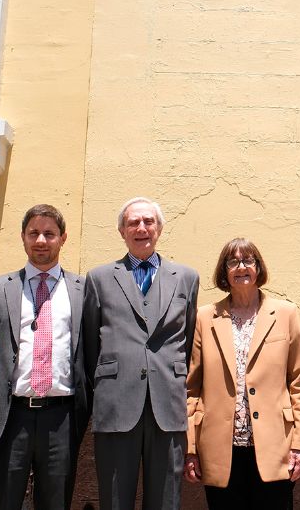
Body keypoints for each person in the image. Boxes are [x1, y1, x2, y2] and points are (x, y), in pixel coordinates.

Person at [82, 197, 200, 510]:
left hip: (168, 405)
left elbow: (188, 341)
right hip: (116, 403)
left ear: (159, 228)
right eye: (133, 222)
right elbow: (91, 344)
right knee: (115, 498)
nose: (141, 228)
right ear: (122, 231)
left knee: (165, 500)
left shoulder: (186, 278)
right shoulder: (99, 278)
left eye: (149, 221)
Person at [183, 238, 300, 509]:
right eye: (233, 261)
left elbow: (299, 383)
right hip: (220, 450)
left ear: (258, 267)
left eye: (248, 260)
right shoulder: (206, 317)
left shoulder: (285, 313)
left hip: (275, 447)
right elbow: (191, 389)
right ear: (224, 270)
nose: (241, 267)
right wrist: (191, 447)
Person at [0, 204, 89, 510]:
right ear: (23, 237)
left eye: (49, 233)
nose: (41, 240)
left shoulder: (83, 290)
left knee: (55, 502)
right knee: (1, 500)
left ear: (63, 238)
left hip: (62, 417)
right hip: (10, 415)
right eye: (34, 233)